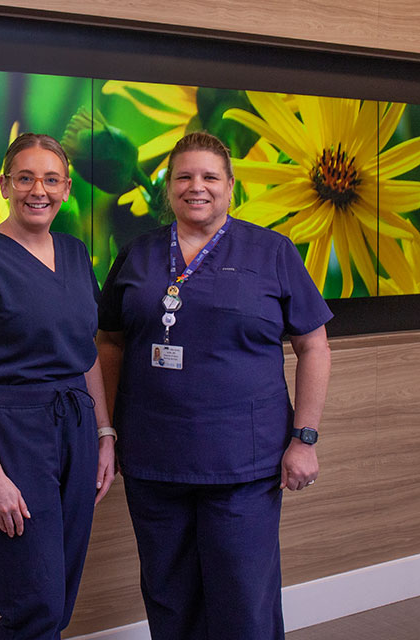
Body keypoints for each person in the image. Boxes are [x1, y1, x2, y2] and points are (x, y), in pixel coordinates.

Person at [97, 131, 332, 639]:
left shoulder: (272, 252)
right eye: (183, 176)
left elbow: (314, 346)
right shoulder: (136, 256)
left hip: (242, 466)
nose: (195, 187)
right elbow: (109, 343)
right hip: (154, 462)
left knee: (243, 603)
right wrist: (107, 432)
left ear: (230, 187)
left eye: (209, 177)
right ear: (168, 188)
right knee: (169, 601)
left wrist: (304, 438)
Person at [0, 133, 117, 640]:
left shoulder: (77, 255)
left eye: (51, 179)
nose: (40, 190)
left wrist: (104, 434)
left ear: (67, 188)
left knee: (61, 597)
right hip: (13, 436)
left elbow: (87, 351)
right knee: (33, 604)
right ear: (4, 185)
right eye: (26, 177)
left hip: (76, 428)